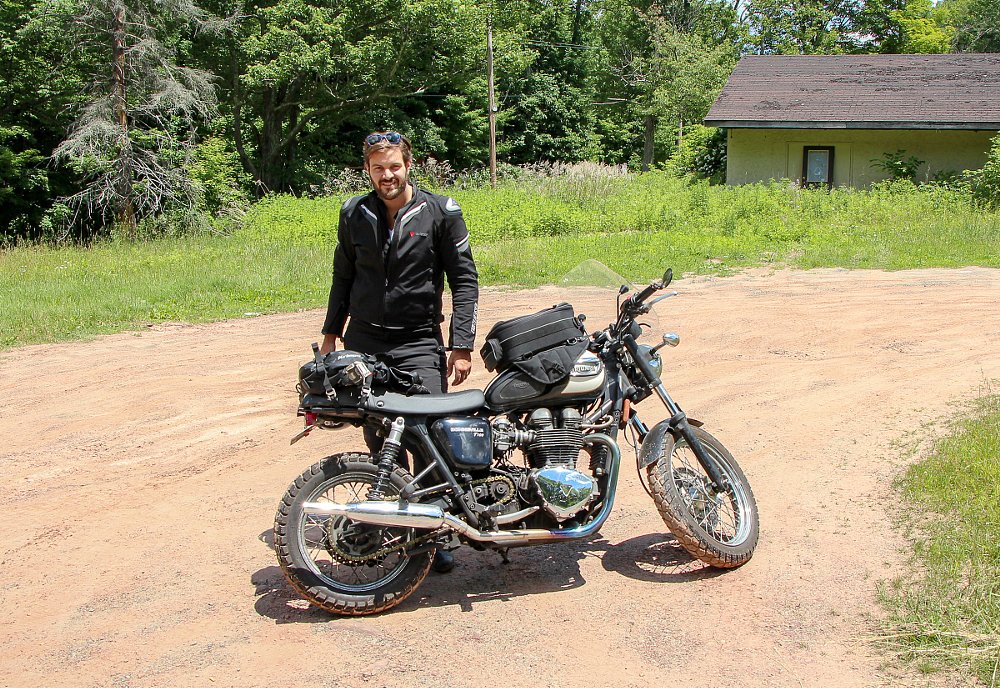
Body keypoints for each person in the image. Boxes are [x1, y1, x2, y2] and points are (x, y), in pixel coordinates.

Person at [319, 131, 479, 573]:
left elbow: (465, 280)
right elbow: (342, 276)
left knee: (429, 435)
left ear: (408, 165)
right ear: (367, 170)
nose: (386, 175)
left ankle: (438, 533)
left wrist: (460, 345)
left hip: (418, 340)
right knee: (379, 436)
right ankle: (396, 524)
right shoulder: (354, 213)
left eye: (394, 166)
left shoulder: (441, 213)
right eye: (377, 168)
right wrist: (332, 332)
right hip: (366, 341)